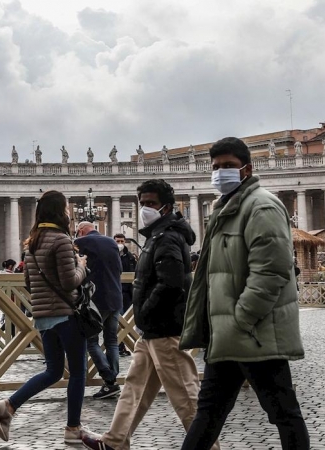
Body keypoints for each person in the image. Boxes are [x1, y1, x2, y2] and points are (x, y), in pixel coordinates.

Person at [179, 137, 309, 449]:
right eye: (216, 167)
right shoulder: (226, 207)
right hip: (229, 333)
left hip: (255, 333)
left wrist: (242, 318)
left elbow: (272, 270)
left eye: (228, 166)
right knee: (209, 412)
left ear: (247, 169)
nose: (220, 172)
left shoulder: (261, 205)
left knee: (283, 413)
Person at [81, 179, 219, 450]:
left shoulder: (166, 237)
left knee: (185, 394)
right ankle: (115, 441)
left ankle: (208, 447)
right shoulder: (158, 234)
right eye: (142, 203)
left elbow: (171, 282)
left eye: (151, 203)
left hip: (164, 325)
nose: (145, 208)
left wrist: (144, 310)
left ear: (167, 207)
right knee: (135, 387)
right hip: (152, 327)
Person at [0, 190, 89, 445]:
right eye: (67, 208)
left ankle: (9, 406)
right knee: (78, 372)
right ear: (61, 211)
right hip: (66, 315)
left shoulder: (31, 243)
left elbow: (28, 282)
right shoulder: (61, 240)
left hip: (44, 317)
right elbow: (70, 282)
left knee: (54, 371)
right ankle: (73, 427)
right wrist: (82, 266)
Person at [75, 221, 123, 399]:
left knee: (91, 340)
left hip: (96, 300)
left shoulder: (81, 243)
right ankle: (111, 382)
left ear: (81, 231)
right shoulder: (112, 242)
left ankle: (109, 380)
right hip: (116, 297)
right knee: (112, 341)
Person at [113, 233, 137, 357]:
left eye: (122, 241)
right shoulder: (111, 255)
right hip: (117, 292)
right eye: (117, 241)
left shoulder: (130, 257)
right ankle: (119, 346)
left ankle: (125, 346)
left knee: (127, 321)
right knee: (120, 320)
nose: (120, 243)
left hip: (128, 292)